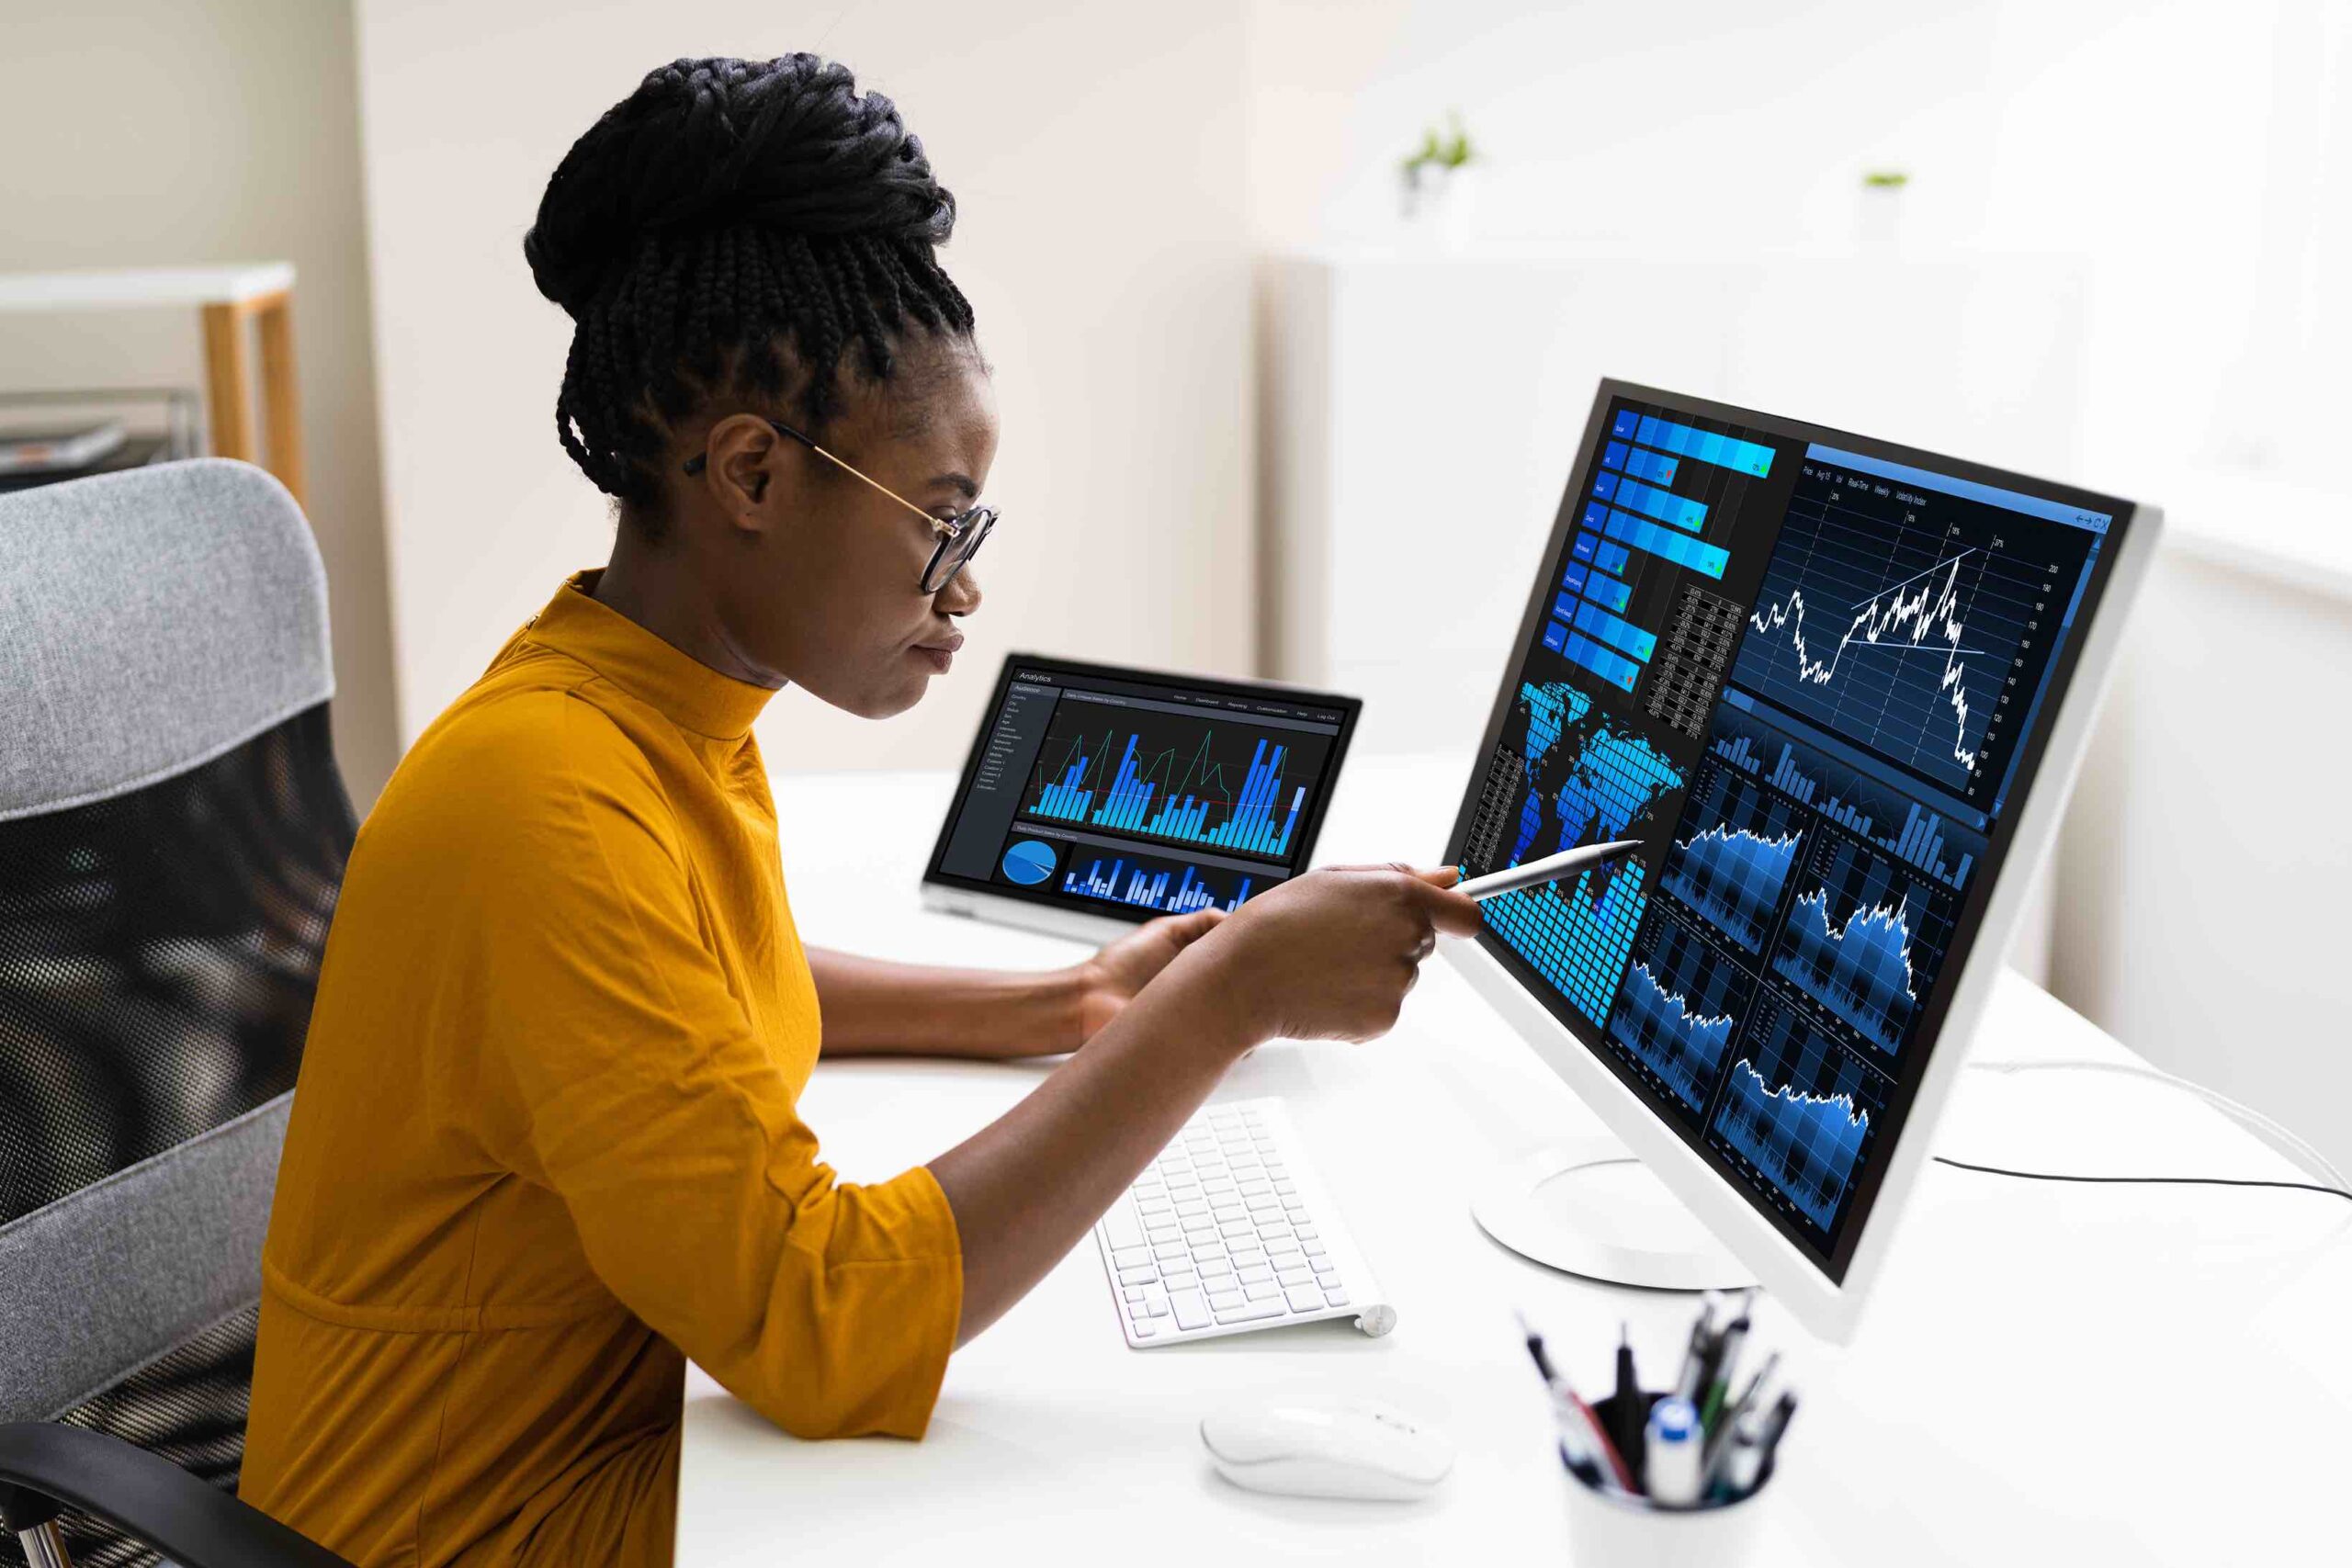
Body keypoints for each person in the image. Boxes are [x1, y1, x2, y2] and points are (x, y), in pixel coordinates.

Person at [240, 53, 1477, 1568]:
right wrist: (1225, 998)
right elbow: (817, 1325)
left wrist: (1063, 999)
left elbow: (689, 996)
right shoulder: (543, 803)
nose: (964, 585)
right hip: (470, 1530)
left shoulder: (641, 706)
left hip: (611, 1447)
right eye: (941, 520)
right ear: (751, 472)